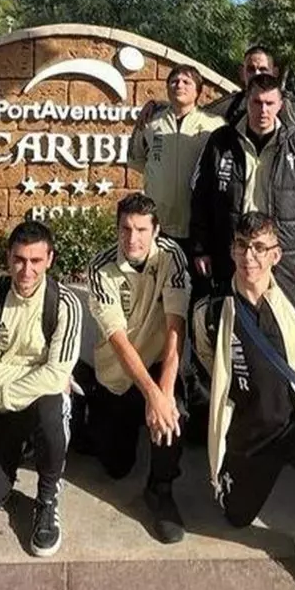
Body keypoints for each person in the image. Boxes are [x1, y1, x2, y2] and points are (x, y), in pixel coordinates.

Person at [193, 212, 295, 590]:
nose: (250, 256)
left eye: (260, 248)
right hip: (252, 430)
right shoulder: (211, 311)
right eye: (242, 246)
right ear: (232, 250)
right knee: (235, 517)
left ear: (276, 255)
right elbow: (210, 361)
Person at [0, 221, 83, 557]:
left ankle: (47, 497)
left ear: (50, 260)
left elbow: (55, 377)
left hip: (21, 403)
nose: (26, 270)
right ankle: (18, 452)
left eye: (35, 261)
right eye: (19, 259)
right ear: (8, 258)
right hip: (3, 410)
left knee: (51, 403)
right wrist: (42, 374)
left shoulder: (65, 305)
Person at [86, 194, 191, 544]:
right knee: (116, 467)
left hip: (158, 366)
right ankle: (87, 400)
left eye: (142, 230)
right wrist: (151, 394)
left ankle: (161, 490)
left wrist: (164, 394)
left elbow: (176, 327)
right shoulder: (100, 268)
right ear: (117, 229)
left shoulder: (172, 256)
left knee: (175, 415)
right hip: (118, 375)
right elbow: (118, 341)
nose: (133, 238)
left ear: (156, 230)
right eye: (126, 229)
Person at [190, 73, 295, 294]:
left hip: (283, 259)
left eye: (269, 103)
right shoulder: (220, 142)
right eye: (257, 102)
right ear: (247, 101)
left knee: (279, 314)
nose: (263, 110)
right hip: (233, 255)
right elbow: (200, 198)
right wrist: (200, 248)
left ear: (280, 105)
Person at [128, 64, 225, 250]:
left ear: (198, 91)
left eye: (186, 82)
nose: (179, 85)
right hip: (159, 222)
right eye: (174, 81)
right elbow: (138, 160)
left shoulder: (214, 125)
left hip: (198, 224)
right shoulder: (149, 122)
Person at [206, 45, 295, 164]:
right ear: (242, 73)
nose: (257, 74)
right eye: (251, 69)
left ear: (275, 73)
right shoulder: (228, 107)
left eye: (263, 69)